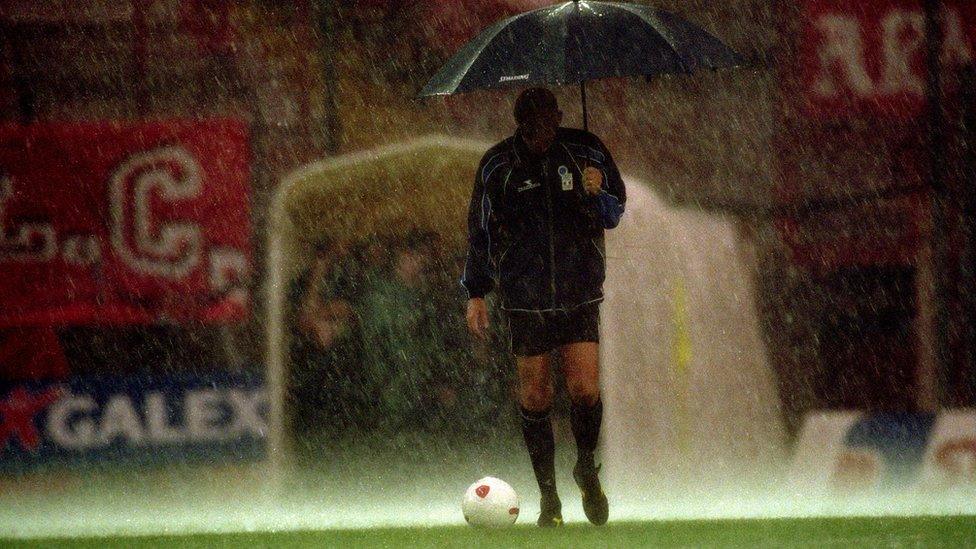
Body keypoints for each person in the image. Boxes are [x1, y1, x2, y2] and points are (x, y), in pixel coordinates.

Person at [461, 87, 626, 527]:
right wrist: (476, 291)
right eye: (533, 128)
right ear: (521, 125)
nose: (542, 134)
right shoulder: (498, 165)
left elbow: (615, 212)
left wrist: (599, 191)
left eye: (549, 124)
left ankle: (586, 467)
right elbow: (480, 231)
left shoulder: (587, 150)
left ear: (558, 117)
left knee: (584, 390)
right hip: (525, 296)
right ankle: (548, 497)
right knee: (535, 394)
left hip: (579, 289)